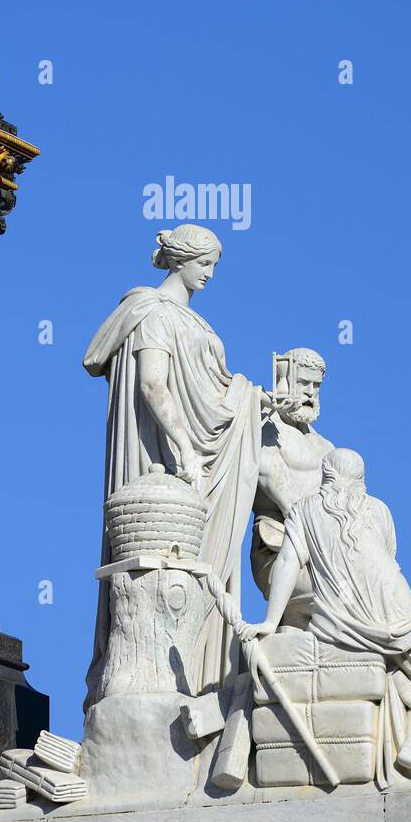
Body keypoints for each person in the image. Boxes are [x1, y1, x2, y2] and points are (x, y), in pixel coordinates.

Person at [83, 225, 264, 704]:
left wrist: (253, 402)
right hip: (162, 463)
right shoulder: (151, 314)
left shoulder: (195, 322)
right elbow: (152, 387)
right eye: (204, 264)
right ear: (181, 260)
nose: (209, 274)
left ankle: (203, 675)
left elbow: (215, 396)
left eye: (214, 266)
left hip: (200, 457)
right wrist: (184, 447)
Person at [252, 447, 411, 785]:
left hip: (342, 624)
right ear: (361, 481)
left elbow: (286, 564)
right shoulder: (380, 510)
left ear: (325, 477)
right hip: (400, 616)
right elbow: (390, 565)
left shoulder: (306, 510)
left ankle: (408, 733)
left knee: (401, 672)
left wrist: (271, 622)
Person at [250, 347, 335, 628]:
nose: (311, 392)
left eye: (316, 386)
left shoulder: (326, 448)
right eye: (303, 384)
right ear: (284, 380)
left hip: (323, 554)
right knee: (341, 596)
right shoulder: (263, 428)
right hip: (277, 549)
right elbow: (265, 474)